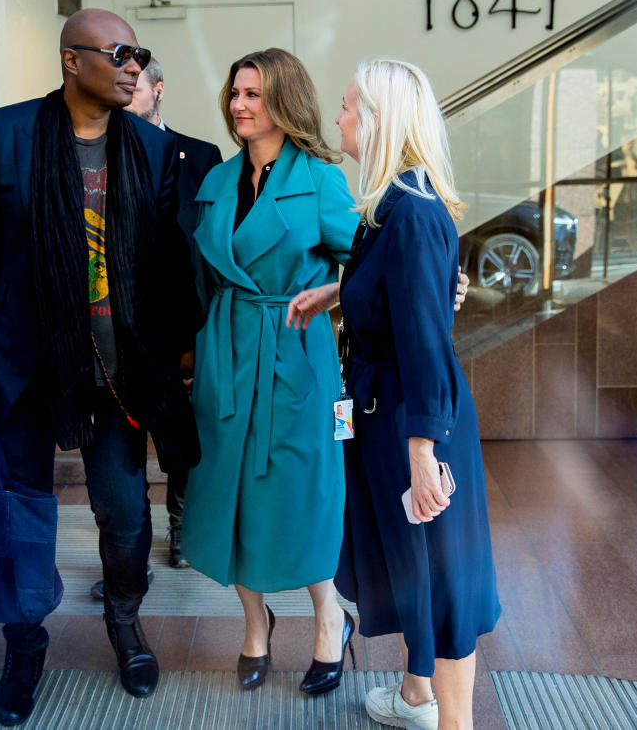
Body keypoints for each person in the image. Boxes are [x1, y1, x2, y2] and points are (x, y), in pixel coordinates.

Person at [0, 8, 200, 726]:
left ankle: (124, 624)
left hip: (116, 372)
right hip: (23, 364)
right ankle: (24, 646)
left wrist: (179, 351)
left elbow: (164, 267)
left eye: (138, 55)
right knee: (24, 514)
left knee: (124, 515)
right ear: (71, 60)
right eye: (120, 53)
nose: (133, 67)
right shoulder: (6, 134)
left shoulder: (151, 151)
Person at [326, 57, 501, 730]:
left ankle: (452, 724)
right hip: (385, 416)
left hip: (412, 421)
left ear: (377, 122)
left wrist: (423, 451)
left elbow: (426, 340)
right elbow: (394, 295)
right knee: (412, 568)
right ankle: (416, 697)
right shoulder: (388, 207)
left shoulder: (413, 213)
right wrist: (334, 294)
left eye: (347, 106)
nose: (338, 116)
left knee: (444, 580)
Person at [181, 48, 360, 696]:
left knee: (303, 493)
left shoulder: (319, 180)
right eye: (235, 94)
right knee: (230, 494)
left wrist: (327, 295)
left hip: (294, 358)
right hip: (228, 354)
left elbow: (360, 268)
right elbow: (204, 277)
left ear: (283, 100)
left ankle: (329, 616)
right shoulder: (219, 182)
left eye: (253, 94)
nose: (239, 105)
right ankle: (255, 625)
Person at [124, 56, 222, 569]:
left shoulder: (202, 157)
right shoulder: (98, 154)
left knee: (183, 436)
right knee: (122, 447)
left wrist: (198, 334)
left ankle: (181, 525)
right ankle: (128, 545)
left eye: (134, 85)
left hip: (182, 321)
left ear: (159, 90)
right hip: (119, 326)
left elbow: (209, 250)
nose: (124, 93)